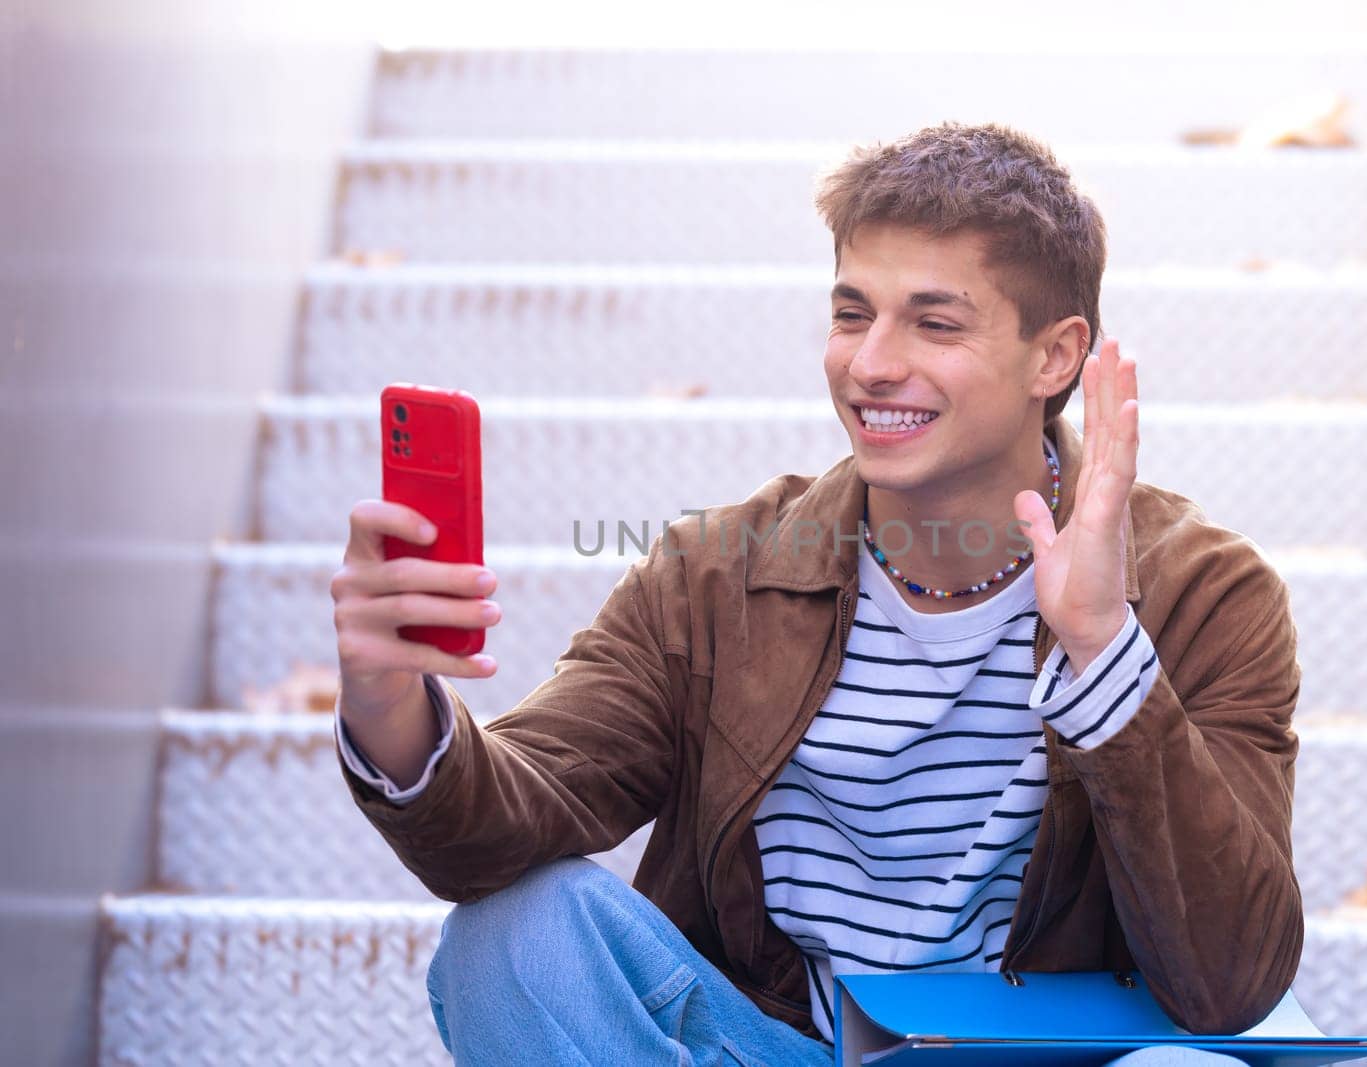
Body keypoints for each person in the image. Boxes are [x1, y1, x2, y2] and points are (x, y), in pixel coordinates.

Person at [330, 122, 1304, 1066]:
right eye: (851, 312)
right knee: (513, 931)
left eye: (933, 321)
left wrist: (1100, 646)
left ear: (1053, 357)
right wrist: (388, 704)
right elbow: (505, 819)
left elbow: (1226, 984)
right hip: (773, 1044)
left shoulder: (1203, 591)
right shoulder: (712, 576)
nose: (870, 361)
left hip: (1041, 1056)